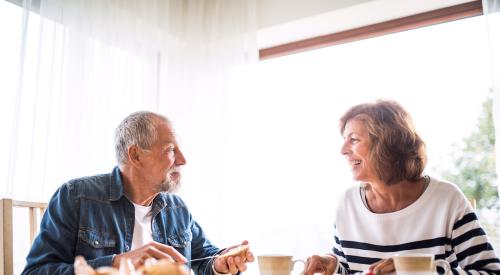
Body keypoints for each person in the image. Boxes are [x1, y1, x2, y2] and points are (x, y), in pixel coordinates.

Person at [22, 111, 254, 275]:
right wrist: (116, 264)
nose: (183, 161)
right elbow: (36, 271)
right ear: (135, 156)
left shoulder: (177, 208)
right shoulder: (76, 197)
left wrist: (220, 264)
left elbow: (204, 258)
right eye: (171, 149)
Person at [302, 100, 500, 275]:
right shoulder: (347, 203)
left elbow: (489, 272)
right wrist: (333, 265)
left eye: (353, 139)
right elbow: (352, 270)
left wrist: (417, 270)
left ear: (386, 144)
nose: (343, 150)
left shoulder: (446, 199)